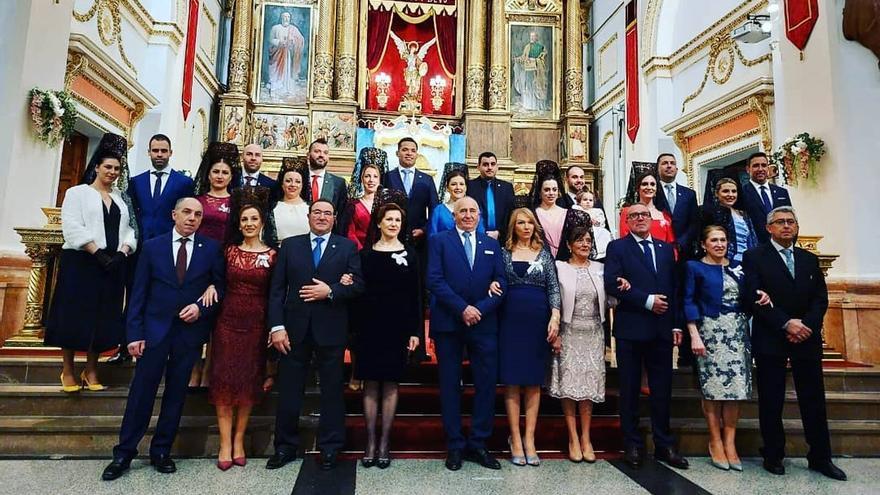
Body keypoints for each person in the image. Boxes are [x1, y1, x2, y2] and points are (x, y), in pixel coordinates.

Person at [101, 198, 226, 481]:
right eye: (186, 212)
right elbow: (138, 294)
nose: (192, 218)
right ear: (174, 214)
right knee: (141, 394)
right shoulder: (153, 247)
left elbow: (219, 286)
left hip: (188, 334)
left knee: (176, 393)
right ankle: (124, 453)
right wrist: (133, 334)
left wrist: (201, 307)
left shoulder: (210, 249)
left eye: (197, 214)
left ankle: (161, 450)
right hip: (153, 333)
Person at [742, 206, 846, 481]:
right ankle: (774, 454)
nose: (787, 226)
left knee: (813, 400)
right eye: (780, 222)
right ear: (769, 228)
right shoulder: (754, 257)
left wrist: (806, 325)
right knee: (771, 400)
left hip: (806, 339)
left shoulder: (808, 259)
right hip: (771, 336)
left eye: (791, 222)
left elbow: (820, 299)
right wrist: (786, 323)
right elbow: (752, 295)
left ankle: (821, 457)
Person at [266, 199, 364, 471]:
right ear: (309, 216)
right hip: (293, 330)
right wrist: (276, 327)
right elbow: (276, 290)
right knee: (289, 392)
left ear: (334, 218)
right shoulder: (290, 246)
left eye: (327, 213)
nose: (322, 217)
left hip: (331, 329)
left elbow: (358, 285)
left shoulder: (346, 246)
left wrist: (331, 291)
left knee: (332, 391)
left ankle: (331, 448)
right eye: (317, 212)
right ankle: (285, 447)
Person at [45, 134, 137, 391]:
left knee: (103, 316)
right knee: (74, 314)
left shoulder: (120, 199)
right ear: (96, 166)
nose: (112, 172)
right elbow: (72, 225)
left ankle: (92, 370)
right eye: (108, 166)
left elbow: (129, 229)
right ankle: (67, 371)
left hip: (112, 263)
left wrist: (122, 251)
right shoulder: (78, 193)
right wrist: (96, 252)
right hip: (83, 262)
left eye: (117, 168)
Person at [604, 203, 688, 470]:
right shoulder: (617, 247)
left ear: (651, 220)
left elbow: (674, 289)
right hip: (631, 327)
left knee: (662, 390)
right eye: (634, 216)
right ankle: (632, 444)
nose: (640, 219)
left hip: (662, 329)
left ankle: (664, 444)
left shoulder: (665, 250)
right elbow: (612, 282)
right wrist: (646, 300)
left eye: (644, 215)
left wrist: (676, 324)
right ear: (627, 222)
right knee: (629, 389)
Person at [427, 196, 507, 471]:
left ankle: (479, 443)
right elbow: (434, 280)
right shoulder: (439, 241)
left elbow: (501, 282)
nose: (469, 215)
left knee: (485, 385)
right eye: (463, 211)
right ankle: (455, 445)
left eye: (473, 211)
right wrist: (463, 308)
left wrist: (479, 310)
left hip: (484, 324)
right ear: (454, 215)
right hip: (449, 323)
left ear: (479, 215)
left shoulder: (491, 244)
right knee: (450, 385)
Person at [685, 225, 771, 471]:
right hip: (710, 332)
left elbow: (749, 293)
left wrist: (760, 294)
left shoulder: (738, 267)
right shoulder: (695, 267)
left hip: (737, 333)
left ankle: (730, 442)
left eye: (723, 240)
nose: (719, 244)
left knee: (735, 389)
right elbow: (688, 301)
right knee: (712, 390)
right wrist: (694, 335)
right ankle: (715, 441)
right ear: (704, 244)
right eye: (714, 240)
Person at [202, 189, 276, 471]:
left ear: (262, 223)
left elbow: (274, 294)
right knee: (224, 381)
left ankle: (239, 441)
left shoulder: (272, 255)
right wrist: (211, 285)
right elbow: (216, 281)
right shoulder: (228, 251)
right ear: (239, 223)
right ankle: (223, 443)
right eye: (244, 219)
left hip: (256, 325)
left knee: (247, 383)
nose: (248, 223)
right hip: (227, 322)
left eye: (254, 218)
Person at [111, 133, 193, 364]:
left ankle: (161, 345)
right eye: (155, 150)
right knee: (135, 295)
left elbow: (187, 214)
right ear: (149, 152)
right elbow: (131, 215)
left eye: (163, 151)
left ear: (170, 152)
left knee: (163, 296)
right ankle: (126, 345)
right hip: (139, 249)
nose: (159, 155)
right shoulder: (136, 182)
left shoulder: (183, 183)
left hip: (169, 250)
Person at [352, 202, 421, 469]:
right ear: (378, 223)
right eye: (388, 219)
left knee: (391, 383)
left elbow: (415, 295)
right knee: (370, 383)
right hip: (370, 325)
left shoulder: (410, 255)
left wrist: (415, 331)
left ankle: (384, 442)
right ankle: (370, 441)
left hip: (398, 327)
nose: (393, 224)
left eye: (397, 220)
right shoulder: (365, 255)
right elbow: (359, 293)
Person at [549, 222, 616, 464]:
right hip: (568, 331)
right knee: (569, 386)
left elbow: (610, 299)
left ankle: (586, 437)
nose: (585, 244)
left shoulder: (600, 268)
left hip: (593, 333)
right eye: (579, 240)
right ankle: (573, 437)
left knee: (588, 387)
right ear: (569, 245)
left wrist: (622, 287)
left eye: (588, 240)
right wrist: (555, 333)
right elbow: (554, 300)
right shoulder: (559, 267)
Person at [498, 208, 560, 466]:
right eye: (520, 223)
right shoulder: (503, 254)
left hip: (538, 321)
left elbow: (554, 288)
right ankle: (514, 437)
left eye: (529, 223)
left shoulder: (545, 254)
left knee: (533, 383)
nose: (525, 227)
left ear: (535, 227)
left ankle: (530, 439)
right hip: (510, 321)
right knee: (512, 382)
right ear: (513, 227)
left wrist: (555, 316)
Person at [382, 137, 439, 244]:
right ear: (397, 153)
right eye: (405, 150)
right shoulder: (387, 177)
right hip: (391, 237)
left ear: (417, 155)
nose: (409, 153)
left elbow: (434, 209)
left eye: (413, 151)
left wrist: (424, 229)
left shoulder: (427, 180)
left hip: (419, 240)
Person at [702, 178, 758, 264]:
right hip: (726, 262)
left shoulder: (743, 214)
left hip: (748, 261)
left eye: (734, 191)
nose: (730, 194)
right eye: (725, 191)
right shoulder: (710, 213)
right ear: (717, 193)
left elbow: (752, 240)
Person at [195, 142, 241, 244]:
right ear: (208, 174)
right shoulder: (197, 201)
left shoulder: (237, 203)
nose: (220, 176)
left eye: (225, 173)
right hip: (200, 253)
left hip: (226, 254)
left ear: (231, 177)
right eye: (215, 171)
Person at [741, 152, 792, 244]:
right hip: (756, 248)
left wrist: (789, 243)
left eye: (764, 165)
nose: (760, 169)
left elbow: (791, 219)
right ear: (748, 169)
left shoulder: (782, 192)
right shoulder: (741, 193)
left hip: (782, 246)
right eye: (756, 166)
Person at [657, 154, 699, 258]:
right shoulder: (653, 192)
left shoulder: (689, 194)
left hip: (685, 250)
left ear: (676, 169)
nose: (669, 166)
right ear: (657, 168)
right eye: (665, 163)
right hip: (660, 247)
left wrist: (681, 242)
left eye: (672, 163)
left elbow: (695, 222)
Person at [467, 151, 515, 241]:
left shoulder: (506, 188)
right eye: (485, 164)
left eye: (492, 164)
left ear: (497, 167)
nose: (489, 168)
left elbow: (511, 214)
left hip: (501, 238)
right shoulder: (470, 186)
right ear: (478, 167)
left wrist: (500, 233)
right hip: (475, 237)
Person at [619, 170, 675, 245]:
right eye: (645, 184)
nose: (649, 187)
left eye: (652, 184)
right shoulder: (627, 212)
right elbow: (624, 240)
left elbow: (671, 246)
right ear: (638, 188)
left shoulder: (665, 216)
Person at [345, 148, 386, 250]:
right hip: (359, 254)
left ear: (379, 180)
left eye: (375, 176)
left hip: (383, 252)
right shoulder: (353, 205)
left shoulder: (386, 205)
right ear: (362, 179)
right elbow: (350, 233)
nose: (371, 180)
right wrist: (362, 252)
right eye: (367, 176)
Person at [428, 164, 485, 236]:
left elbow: (481, 234)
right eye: (453, 184)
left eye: (461, 184)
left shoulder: (474, 209)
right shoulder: (438, 210)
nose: (458, 187)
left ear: (466, 187)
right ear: (447, 188)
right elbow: (432, 236)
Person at [306, 138, 348, 231]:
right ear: (308, 155)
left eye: (325, 153)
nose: (321, 155)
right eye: (317, 151)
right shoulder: (299, 179)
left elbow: (342, 216)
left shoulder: (338, 183)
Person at [271, 161, 311, 244]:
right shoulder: (271, 208)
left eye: (297, 181)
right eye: (288, 181)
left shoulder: (310, 208)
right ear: (282, 184)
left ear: (303, 185)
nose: (293, 185)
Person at [268, 11, 305, 97]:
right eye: (284, 17)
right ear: (281, 18)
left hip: (288, 54)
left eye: (288, 17)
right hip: (277, 53)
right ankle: (277, 87)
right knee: (276, 72)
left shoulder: (293, 29)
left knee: (287, 71)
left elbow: (301, 40)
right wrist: (280, 43)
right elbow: (270, 40)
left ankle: (286, 88)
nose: (286, 18)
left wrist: (293, 41)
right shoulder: (275, 28)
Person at [533, 176, 567, 258]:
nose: (551, 193)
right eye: (547, 190)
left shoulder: (567, 213)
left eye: (554, 189)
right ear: (540, 193)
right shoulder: (533, 214)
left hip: (564, 258)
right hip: (540, 258)